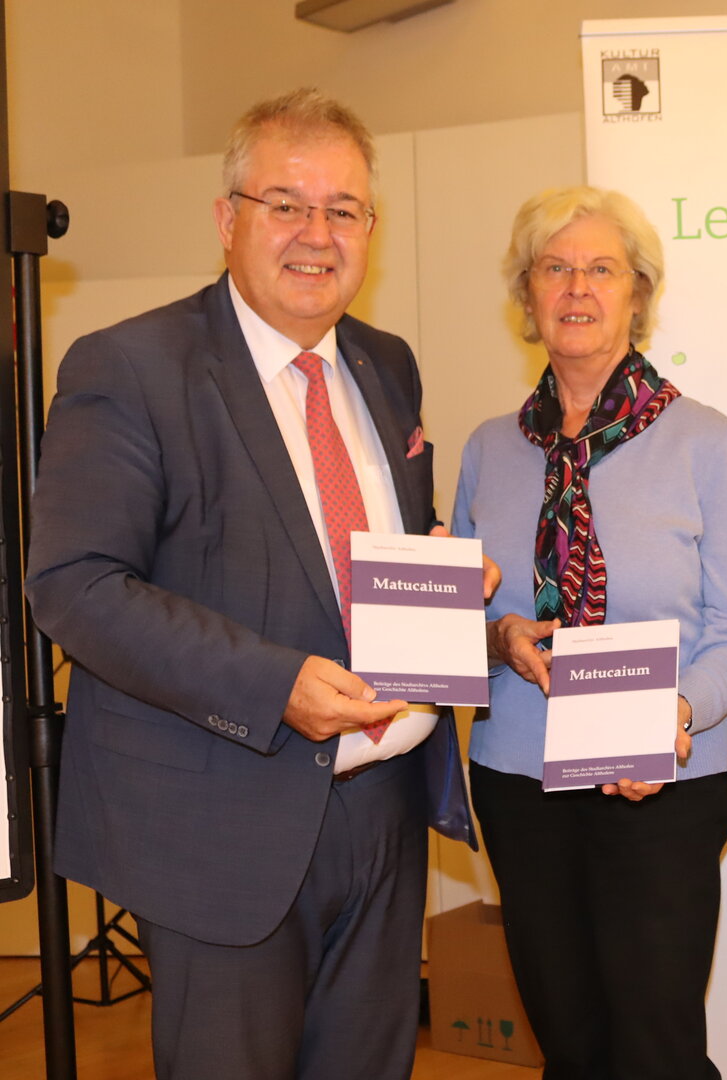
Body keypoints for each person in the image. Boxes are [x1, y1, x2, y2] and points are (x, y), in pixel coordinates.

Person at [23, 89, 489, 1080]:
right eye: (287, 203)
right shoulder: (130, 366)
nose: (318, 235)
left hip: (387, 807)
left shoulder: (385, 362)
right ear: (228, 219)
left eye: (345, 210)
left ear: (372, 228)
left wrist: (443, 568)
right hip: (221, 823)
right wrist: (272, 682)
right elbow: (75, 584)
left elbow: (353, 549)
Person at [454, 185, 727, 1080]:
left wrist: (674, 714)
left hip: (661, 783)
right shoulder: (487, 450)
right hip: (521, 782)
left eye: (601, 269)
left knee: (657, 1050)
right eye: (554, 269)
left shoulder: (707, 443)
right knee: (572, 1047)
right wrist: (495, 635)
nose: (576, 288)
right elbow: (466, 622)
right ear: (527, 297)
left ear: (639, 293)